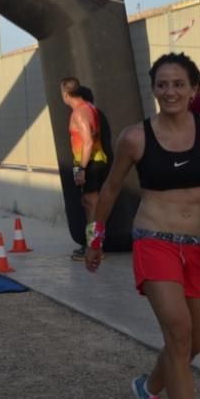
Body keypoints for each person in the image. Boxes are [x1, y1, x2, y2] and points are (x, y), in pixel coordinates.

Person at [85, 53, 200, 399]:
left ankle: (148, 389)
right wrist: (95, 237)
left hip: (198, 246)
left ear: (194, 90)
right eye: (162, 84)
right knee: (179, 333)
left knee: (194, 341)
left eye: (179, 84)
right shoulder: (135, 137)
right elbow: (110, 189)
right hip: (155, 240)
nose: (170, 91)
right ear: (152, 89)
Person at [61, 77, 111, 261]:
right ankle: (93, 245)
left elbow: (88, 142)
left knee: (91, 206)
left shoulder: (79, 113)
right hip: (88, 162)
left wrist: (81, 169)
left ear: (65, 94)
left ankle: (94, 247)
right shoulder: (89, 107)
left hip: (89, 163)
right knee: (88, 202)